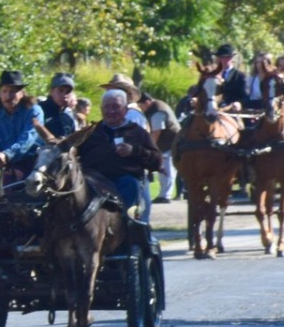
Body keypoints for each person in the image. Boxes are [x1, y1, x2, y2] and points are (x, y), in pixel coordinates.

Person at [76, 88, 164, 219]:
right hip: (95, 180)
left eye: (116, 107)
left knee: (130, 183)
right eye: (107, 107)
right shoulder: (90, 133)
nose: (111, 111)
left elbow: (157, 161)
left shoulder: (137, 132)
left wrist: (134, 151)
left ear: (126, 110)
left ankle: (125, 223)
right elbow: (73, 152)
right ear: (101, 109)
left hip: (124, 180)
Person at [0, 70, 43, 184]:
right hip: (8, 169)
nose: (8, 96)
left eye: (13, 91)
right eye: (4, 91)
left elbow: (27, 139)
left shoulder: (34, 111)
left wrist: (7, 154)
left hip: (35, 167)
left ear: (22, 93)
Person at [136, 89, 180, 202]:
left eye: (141, 105)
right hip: (168, 142)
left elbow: (157, 132)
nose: (141, 108)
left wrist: (150, 146)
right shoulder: (157, 106)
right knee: (166, 169)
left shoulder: (157, 111)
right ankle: (164, 194)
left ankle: (165, 196)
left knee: (166, 168)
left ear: (147, 102)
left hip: (168, 143)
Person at [38, 73, 80, 140]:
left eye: (68, 92)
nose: (64, 95)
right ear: (51, 91)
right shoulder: (39, 111)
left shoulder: (68, 116)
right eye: (60, 90)